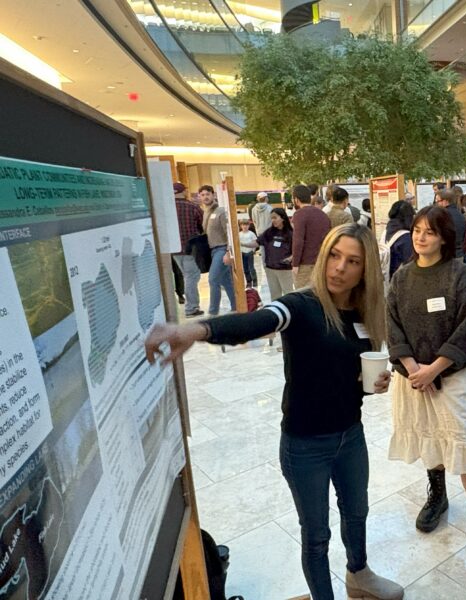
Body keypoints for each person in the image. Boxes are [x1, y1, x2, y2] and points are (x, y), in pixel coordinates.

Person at [144, 224, 404, 600]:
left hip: (351, 435)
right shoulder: (301, 305)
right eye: (334, 255)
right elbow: (260, 321)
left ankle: (358, 574)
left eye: (353, 261)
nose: (339, 268)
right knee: (316, 535)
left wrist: (376, 382)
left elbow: (351, 369)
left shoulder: (363, 313)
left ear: (365, 270)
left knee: (357, 514)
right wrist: (198, 330)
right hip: (305, 445)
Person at [386, 205, 466, 566]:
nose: (420, 236)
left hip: (452, 376)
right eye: (416, 230)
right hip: (412, 378)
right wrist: (413, 367)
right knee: (430, 436)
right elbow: (392, 321)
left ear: (444, 236)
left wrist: (435, 369)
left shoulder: (459, 274)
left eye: (429, 231)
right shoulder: (402, 276)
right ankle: (438, 497)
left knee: (464, 440)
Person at [199, 184, 237, 315]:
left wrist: (228, 252)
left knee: (213, 279)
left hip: (222, 249)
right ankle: (236, 306)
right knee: (225, 280)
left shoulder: (220, 211)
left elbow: (229, 233)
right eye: (203, 195)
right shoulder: (205, 213)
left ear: (213, 195)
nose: (205, 197)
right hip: (212, 251)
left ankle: (213, 312)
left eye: (207, 194)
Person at [173, 181, 204, 317]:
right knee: (191, 277)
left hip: (174, 249)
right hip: (191, 248)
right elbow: (202, 226)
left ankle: (191, 305)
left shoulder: (167, 208)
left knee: (186, 276)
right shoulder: (193, 207)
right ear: (184, 191)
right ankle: (191, 308)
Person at [291, 184, 330, 289]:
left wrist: (295, 264)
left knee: (303, 296)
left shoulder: (299, 214)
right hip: (322, 261)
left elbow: (298, 240)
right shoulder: (322, 214)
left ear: (296, 199)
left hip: (305, 263)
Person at [250, 207, 294, 300]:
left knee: (288, 295)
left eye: (275, 217)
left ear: (282, 218)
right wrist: (241, 243)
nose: (273, 220)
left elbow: (296, 250)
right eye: (271, 218)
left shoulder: (290, 233)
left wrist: (290, 258)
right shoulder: (269, 232)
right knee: (275, 296)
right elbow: (256, 242)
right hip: (270, 269)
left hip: (285, 270)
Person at [383, 200, 415, 280]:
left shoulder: (386, 231)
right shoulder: (406, 237)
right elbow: (410, 264)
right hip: (400, 280)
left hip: (387, 279)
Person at [435, 189, 466, 258]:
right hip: (460, 253)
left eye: (437, 201)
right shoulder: (460, 215)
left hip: (446, 255)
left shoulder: (443, 215)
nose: (436, 204)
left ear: (445, 202)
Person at [238, 219, 258, 288]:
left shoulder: (251, 233)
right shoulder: (239, 234)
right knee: (245, 268)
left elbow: (255, 242)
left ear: (249, 225)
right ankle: (249, 281)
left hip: (249, 252)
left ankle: (255, 280)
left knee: (251, 267)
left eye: (246, 225)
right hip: (242, 253)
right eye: (243, 225)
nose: (245, 226)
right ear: (241, 226)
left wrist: (253, 250)